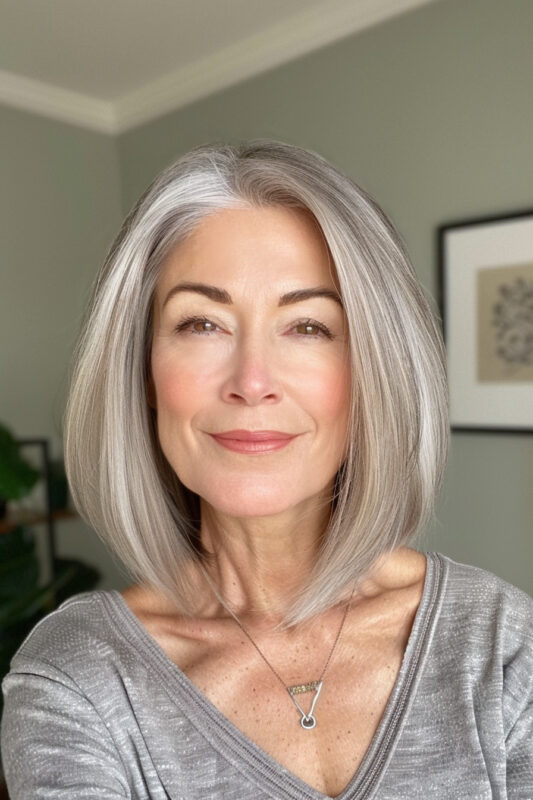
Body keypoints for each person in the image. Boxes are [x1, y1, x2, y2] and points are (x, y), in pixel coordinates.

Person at [1, 139, 532, 799]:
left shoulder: (504, 645)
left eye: (308, 327)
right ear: (142, 371)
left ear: (373, 371)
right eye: (200, 324)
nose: (251, 382)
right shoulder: (77, 677)